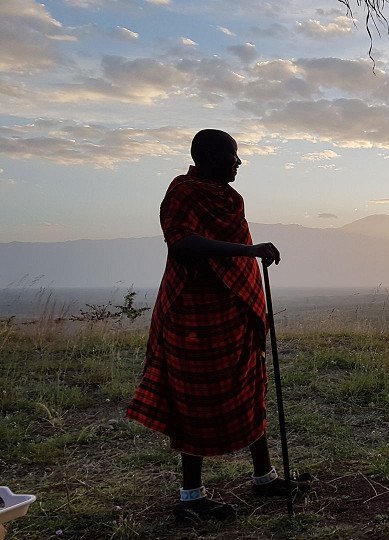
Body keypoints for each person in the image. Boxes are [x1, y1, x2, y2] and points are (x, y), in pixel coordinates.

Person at [126, 129, 305, 520]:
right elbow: (182, 243)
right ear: (208, 157)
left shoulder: (229, 197)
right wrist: (248, 250)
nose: (238, 163)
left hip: (233, 312)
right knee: (196, 402)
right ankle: (191, 497)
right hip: (193, 315)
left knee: (248, 386)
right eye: (232, 156)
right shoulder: (183, 193)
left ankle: (264, 477)